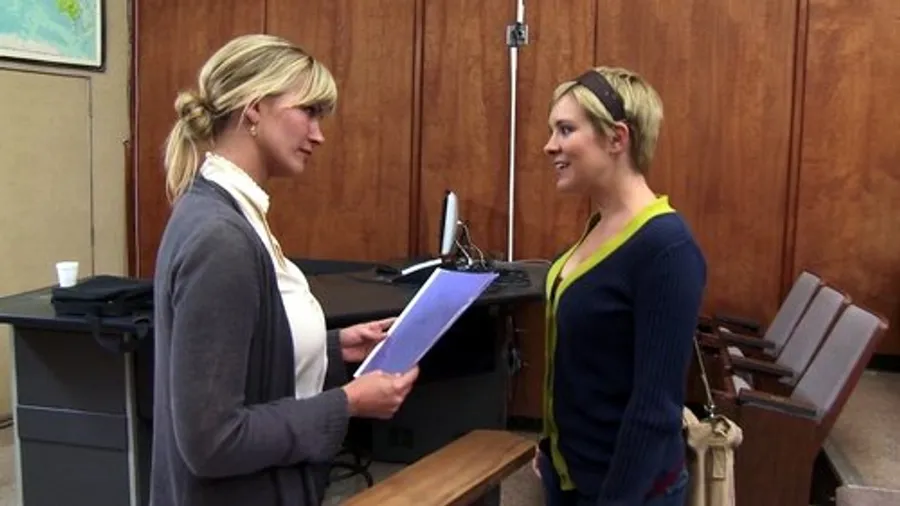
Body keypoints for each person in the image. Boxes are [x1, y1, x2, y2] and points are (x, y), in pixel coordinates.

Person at [150, 34, 420, 506]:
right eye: (308, 112)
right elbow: (212, 442)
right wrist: (348, 403)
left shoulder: (227, 210)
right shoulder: (221, 238)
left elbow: (245, 355)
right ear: (254, 108)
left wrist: (334, 348)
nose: (318, 134)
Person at [532, 66, 707, 506]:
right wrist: (553, 450)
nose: (549, 145)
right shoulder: (600, 224)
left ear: (616, 138)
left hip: (627, 492)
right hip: (573, 474)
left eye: (565, 129)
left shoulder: (666, 248)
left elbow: (654, 409)